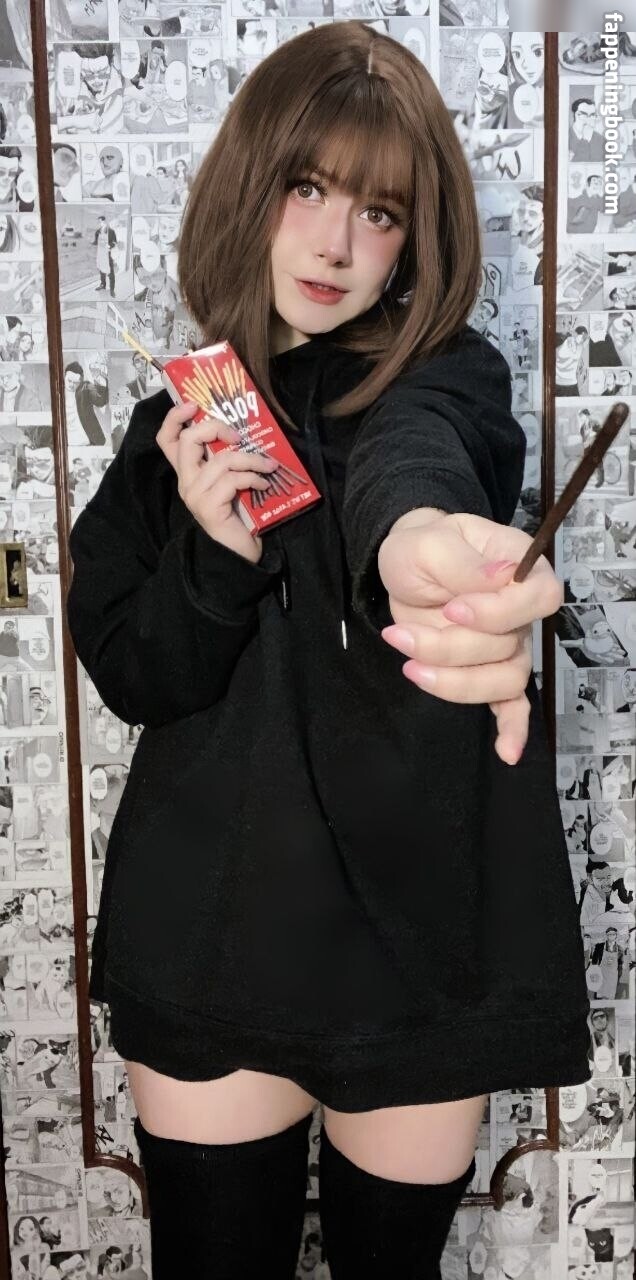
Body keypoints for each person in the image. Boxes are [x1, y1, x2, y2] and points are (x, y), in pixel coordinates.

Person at [66, 22, 592, 1279]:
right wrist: (214, 549)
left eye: (380, 211)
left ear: (416, 241)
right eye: (307, 189)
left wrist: (417, 542)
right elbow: (140, 677)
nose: (337, 242)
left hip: (422, 941)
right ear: (251, 187)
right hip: (212, 921)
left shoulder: (449, 385)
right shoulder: (172, 430)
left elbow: (416, 470)